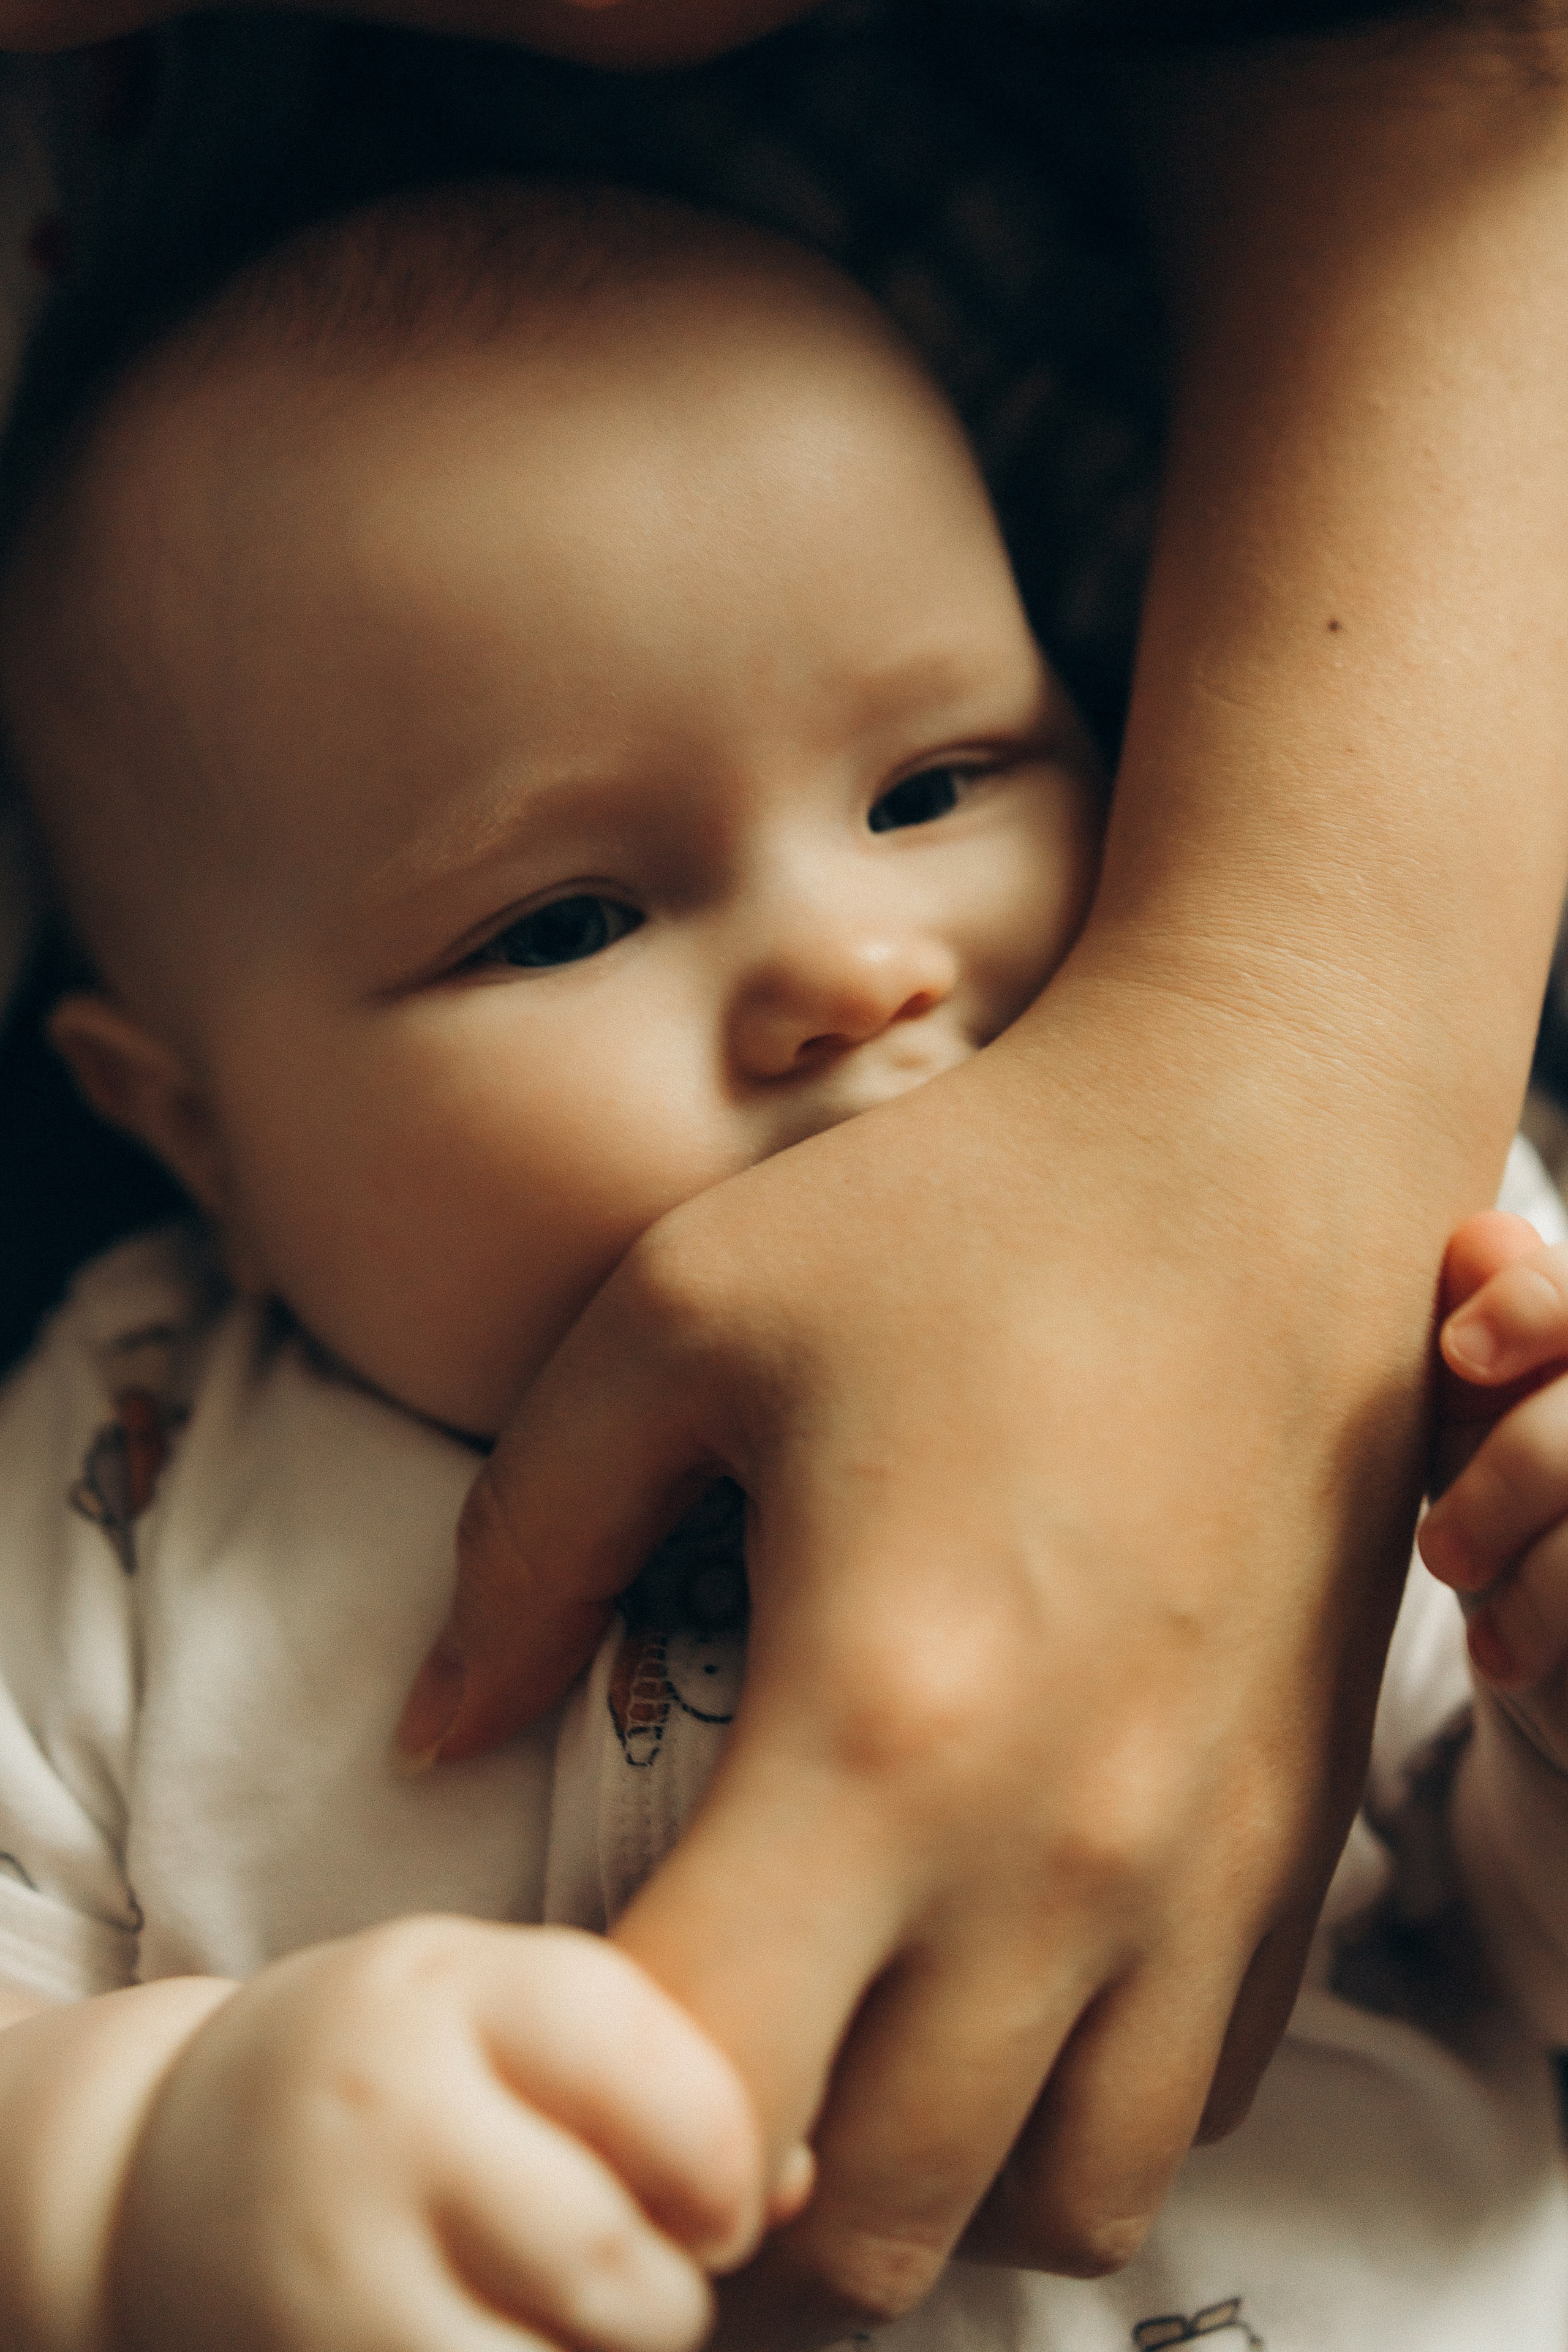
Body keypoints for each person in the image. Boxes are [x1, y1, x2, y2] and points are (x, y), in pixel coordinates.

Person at [4, 2, 1568, 2332]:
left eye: (940, 782)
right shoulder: (129, 1473)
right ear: (188, 1128)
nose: (854, 959)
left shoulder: (1402, 1322)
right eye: (563, 920)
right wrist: (142, 2174)